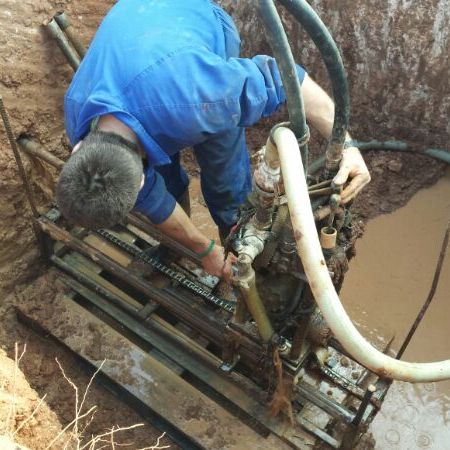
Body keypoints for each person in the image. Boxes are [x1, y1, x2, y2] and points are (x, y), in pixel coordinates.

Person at [57, 0, 370, 282]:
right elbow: (149, 194)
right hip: (144, 29)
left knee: (224, 178)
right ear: (77, 150)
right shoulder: (79, 112)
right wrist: (202, 249)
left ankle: (237, 247)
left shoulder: (202, 97)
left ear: (77, 149)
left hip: (196, 20)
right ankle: (175, 249)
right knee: (164, 174)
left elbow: (290, 79)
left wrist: (347, 145)